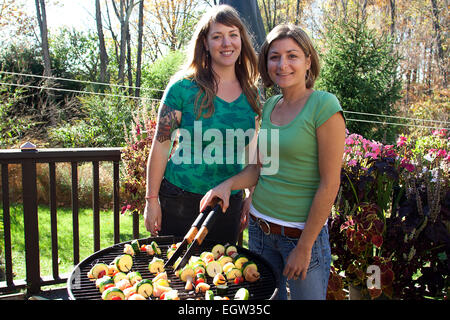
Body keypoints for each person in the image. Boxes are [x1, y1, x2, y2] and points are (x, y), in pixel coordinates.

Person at [200, 24, 346, 300]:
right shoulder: (269, 106)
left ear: (308, 61)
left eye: (292, 55)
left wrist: (303, 247)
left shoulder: (324, 106)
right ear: (266, 62)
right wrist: (226, 185)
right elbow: (259, 169)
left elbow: (330, 183)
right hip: (259, 232)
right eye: (274, 56)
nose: (282, 64)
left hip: (302, 238)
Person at [143, 5, 261, 244]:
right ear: (205, 44)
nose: (226, 43)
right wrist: (152, 199)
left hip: (227, 205)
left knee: (222, 273)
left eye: (233, 35)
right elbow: (162, 144)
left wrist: (251, 195)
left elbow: (253, 152)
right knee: (173, 274)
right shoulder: (182, 88)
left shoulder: (252, 94)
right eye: (217, 36)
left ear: (241, 40)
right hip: (179, 200)